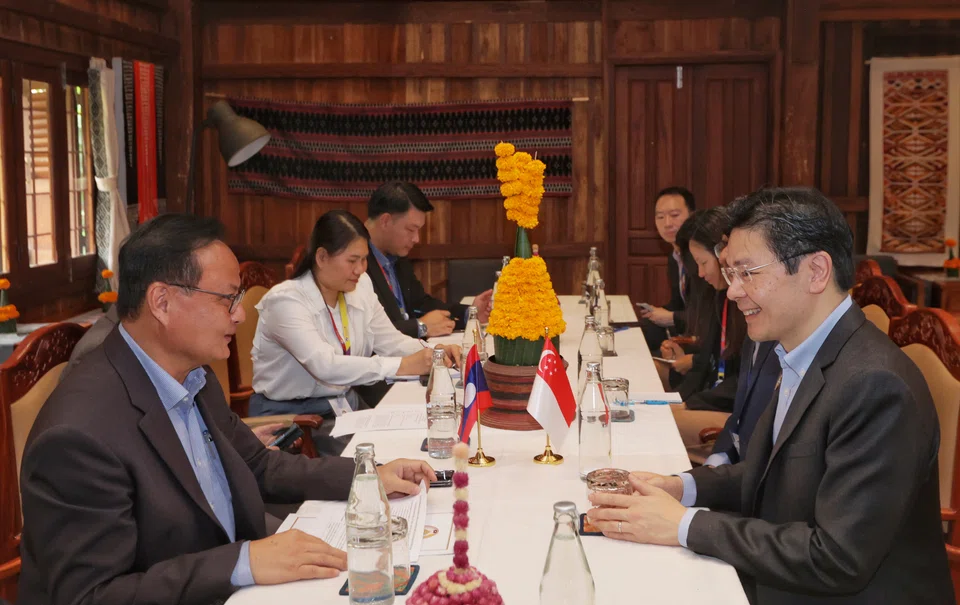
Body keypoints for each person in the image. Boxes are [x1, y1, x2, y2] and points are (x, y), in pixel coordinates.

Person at [19, 214, 437, 605]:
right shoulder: (79, 435)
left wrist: (368, 477)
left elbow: (259, 466)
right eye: (226, 299)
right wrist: (244, 563)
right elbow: (93, 596)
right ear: (161, 302)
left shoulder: (189, 374)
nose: (240, 315)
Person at [587, 188, 953, 604]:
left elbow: (837, 557)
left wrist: (685, 525)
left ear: (815, 271)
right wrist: (681, 488)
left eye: (748, 272)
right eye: (730, 274)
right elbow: (773, 470)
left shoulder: (875, 385)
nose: (733, 291)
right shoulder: (803, 352)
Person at [250, 210, 460, 429]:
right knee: (378, 457)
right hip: (294, 416)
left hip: (341, 404)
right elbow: (326, 366)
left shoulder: (360, 285)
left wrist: (434, 352)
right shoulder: (285, 301)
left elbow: (391, 342)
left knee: (412, 431)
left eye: (364, 259)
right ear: (322, 257)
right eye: (352, 260)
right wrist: (404, 365)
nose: (360, 269)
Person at [661, 208, 746, 450]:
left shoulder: (746, 304)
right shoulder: (718, 298)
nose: (700, 273)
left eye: (703, 263)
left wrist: (689, 404)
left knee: (657, 423)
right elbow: (709, 358)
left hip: (733, 409)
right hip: (714, 397)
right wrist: (683, 400)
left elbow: (743, 381)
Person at [364, 181, 492, 339]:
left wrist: (469, 313)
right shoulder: (355, 261)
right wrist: (419, 327)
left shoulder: (396, 255)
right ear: (385, 221)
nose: (416, 239)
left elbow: (421, 304)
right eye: (411, 229)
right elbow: (366, 331)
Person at [640, 187, 695, 349]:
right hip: (686, 326)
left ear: (692, 216)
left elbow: (708, 315)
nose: (667, 223)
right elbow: (679, 303)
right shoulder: (675, 257)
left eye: (675, 215)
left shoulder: (701, 258)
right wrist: (656, 311)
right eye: (660, 217)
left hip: (701, 336)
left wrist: (671, 317)